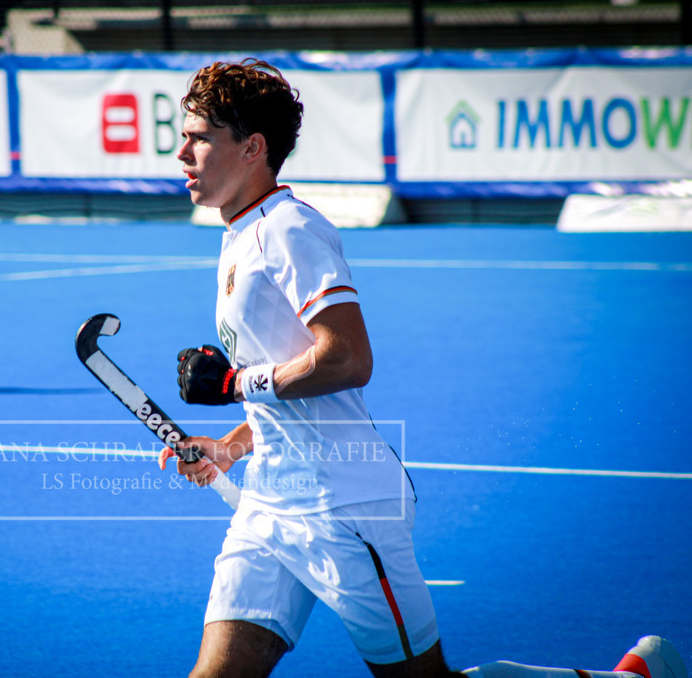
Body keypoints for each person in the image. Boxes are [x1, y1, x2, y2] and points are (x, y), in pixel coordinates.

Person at [157, 58, 687, 678]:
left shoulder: (291, 230)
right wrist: (231, 445)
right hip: (270, 505)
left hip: (345, 507)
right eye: (184, 136)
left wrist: (235, 383)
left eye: (199, 137)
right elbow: (281, 385)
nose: (182, 152)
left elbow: (348, 358)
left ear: (252, 148)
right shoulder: (240, 232)